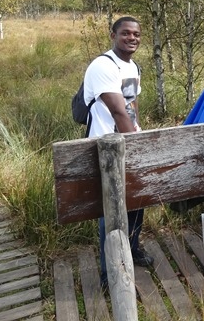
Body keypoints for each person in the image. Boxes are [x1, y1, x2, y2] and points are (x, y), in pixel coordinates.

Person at [83, 16, 153, 290]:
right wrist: (135, 146)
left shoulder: (133, 66)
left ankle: (132, 249)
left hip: (128, 141)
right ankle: (108, 274)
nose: (132, 38)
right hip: (106, 148)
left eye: (136, 34)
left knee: (137, 202)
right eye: (126, 33)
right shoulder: (103, 65)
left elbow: (132, 104)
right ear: (113, 35)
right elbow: (117, 110)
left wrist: (138, 133)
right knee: (111, 211)